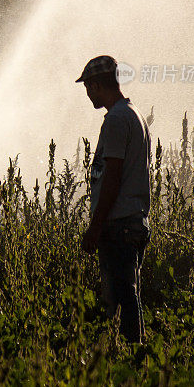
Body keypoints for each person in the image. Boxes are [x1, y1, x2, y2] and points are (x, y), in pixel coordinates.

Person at [77, 55, 151, 343]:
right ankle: (129, 361)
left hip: (119, 225)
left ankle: (131, 363)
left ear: (96, 85)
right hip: (132, 221)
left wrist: (95, 228)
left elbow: (112, 178)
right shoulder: (133, 114)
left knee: (123, 300)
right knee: (127, 296)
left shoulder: (117, 120)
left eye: (87, 87)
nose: (87, 94)